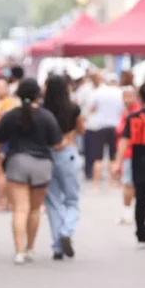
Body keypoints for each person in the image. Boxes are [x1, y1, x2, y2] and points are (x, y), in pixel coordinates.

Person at [0, 78, 63, 264]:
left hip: (17, 162)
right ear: (38, 95)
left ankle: (19, 251)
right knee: (34, 209)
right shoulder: (46, 116)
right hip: (42, 165)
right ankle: (30, 248)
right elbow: (57, 142)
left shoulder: (10, 115)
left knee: (20, 210)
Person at [113, 82, 145, 250]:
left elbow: (124, 140)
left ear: (140, 97)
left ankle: (141, 234)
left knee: (141, 199)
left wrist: (117, 162)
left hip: (138, 162)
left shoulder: (133, 117)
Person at [42, 75, 83, 260]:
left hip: (47, 155)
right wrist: (69, 135)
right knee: (72, 200)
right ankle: (67, 230)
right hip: (68, 154)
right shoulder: (73, 107)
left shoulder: (42, 110)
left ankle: (57, 246)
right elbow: (82, 130)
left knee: (53, 201)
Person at [0, 78, 20, 211]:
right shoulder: (15, 104)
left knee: (0, 173)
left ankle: (1, 201)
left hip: (0, 142)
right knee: (11, 174)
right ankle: (10, 201)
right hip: (14, 141)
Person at [89, 73, 124, 190]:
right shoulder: (120, 93)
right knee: (113, 157)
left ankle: (96, 184)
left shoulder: (99, 92)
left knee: (98, 157)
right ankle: (111, 183)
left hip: (100, 126)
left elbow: (92, 109)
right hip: (116, 126)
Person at [117, 85, 140, 224]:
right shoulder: (126, 112)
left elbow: (124, 135)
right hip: (128, 153)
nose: (126, 100)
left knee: (128, 183)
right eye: (124, 97)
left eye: (129, 96)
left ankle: (128, 213)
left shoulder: (133, 114)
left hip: (131, 153)